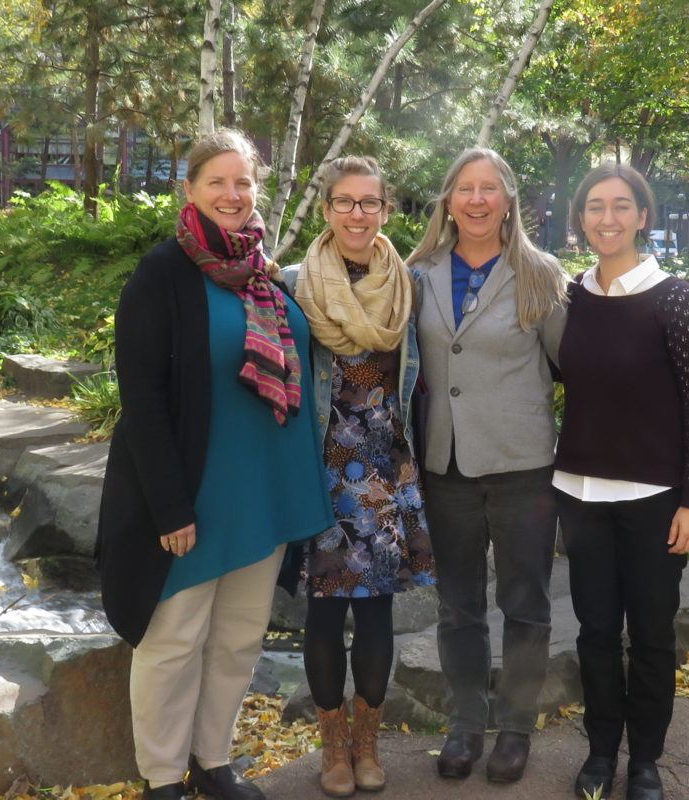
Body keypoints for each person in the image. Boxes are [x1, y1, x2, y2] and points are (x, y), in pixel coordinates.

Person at [96, 129, 334, 800]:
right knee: (173, 641)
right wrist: (169, 505)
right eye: (216, 182)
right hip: (195, 495)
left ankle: (213, 759)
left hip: (264, 492)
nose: (231, 194)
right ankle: (164, 776)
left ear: (256, 189)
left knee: (237, 640)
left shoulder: (266, 272)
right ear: (191, 189)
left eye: (243, 182)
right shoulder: (162, 274)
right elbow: (140, 399)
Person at [556, 163, 689, 800]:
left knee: (651, 634)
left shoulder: (672, 296)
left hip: (655, 501)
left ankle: (645, 760)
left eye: (621, 206)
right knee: (595, 632)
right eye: (594, 206)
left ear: (642, 217)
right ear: (581, 219)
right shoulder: (570, 296)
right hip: (580, 494)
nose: (607, 218)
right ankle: (600, 753)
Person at [406, 147, 567, 784]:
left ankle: (516, 729)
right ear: (448, 200)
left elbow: (570, 366)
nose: (476, 200)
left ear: (508, 201)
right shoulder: (417, 271)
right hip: (444, 463)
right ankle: (465, 724)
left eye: (489, 189)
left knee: (526, 602)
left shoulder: (539, 273)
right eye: (464, 189)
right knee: (458, 606)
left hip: (522, 464)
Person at [281, 156, 433, 797]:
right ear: (327, 210)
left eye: (369, 203)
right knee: (323, 613)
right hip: (320, 469)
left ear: (385, 212)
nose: (357, 214)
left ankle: (366, 744)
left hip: (385, 471)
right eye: (345, 202)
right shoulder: (293, 284)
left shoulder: (407, 286)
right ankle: (332, 748)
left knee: (375, 616)